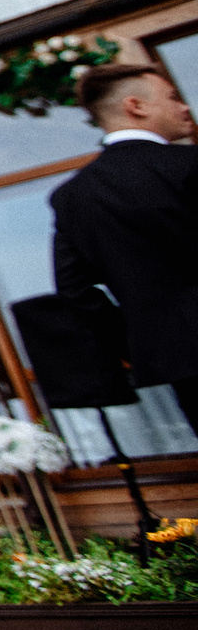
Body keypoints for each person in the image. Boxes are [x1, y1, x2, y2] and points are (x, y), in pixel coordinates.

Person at [51, 64, 198, 429]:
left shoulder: (73, 197)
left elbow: (76, 292)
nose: (184, 107)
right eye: (172, 97)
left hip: (182, 364)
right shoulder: (190, 166)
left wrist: (148, 336)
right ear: (137, 106)